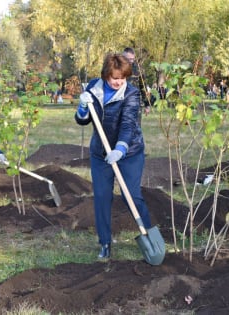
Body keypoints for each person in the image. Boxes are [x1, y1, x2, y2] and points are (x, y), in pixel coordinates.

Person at [75, 53, 152, 259]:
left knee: (132, 197)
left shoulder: (132, 94)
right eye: (115, 78)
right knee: (102, 197)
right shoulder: (93, 87)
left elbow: (128, 125)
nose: (119, 82)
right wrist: (82, 107)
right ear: (106, 75)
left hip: (129, 152)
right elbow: (82, 120)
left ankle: (150, 237)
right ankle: (105, 243)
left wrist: (120, 149)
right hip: (100, 153)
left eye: (123, 78)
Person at [122, 47, 152, 122]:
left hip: (135, 104)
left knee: (136, 128)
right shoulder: (116, 68)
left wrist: (147, 104)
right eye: (128, 59)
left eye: (132, 59)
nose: (131, 61)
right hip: (121, 104)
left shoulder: (139, 69)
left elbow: (143, 87)